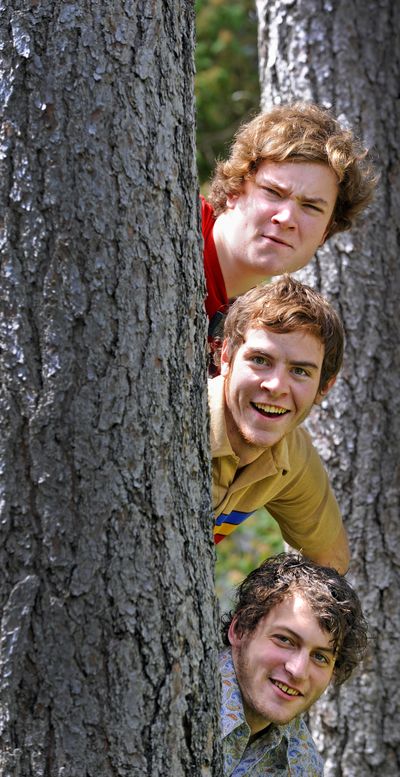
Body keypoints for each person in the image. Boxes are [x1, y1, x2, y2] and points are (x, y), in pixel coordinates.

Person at [210, 274, 349, 573]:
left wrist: (264, 613)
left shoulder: (292, 455)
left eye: (300, 371)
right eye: (260, 360)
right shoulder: (184, 423)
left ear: (324, 387)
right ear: (226, 356)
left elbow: (331, 561)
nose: (276, 386)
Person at [202, 101, 377, 335]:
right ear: (234, 190)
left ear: (326, 231)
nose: (286, 218)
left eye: (311, 207)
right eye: (273, 192)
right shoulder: (178, 224)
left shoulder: (251, 333)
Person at [220, 552, 368, 776]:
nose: (297, 670)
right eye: (285, 640)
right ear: (240, 629)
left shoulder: (303, 765)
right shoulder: (177, 698)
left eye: (320, 657)